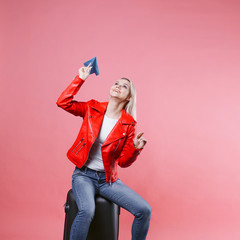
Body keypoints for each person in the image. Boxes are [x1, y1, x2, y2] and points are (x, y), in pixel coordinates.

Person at [56, 63, 152, 240]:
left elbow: (123, 162)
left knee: (144, 210)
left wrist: (136, 149)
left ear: (129, 98)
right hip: (83, 175)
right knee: (86, 211)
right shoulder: (92, 108)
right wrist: (80, 79)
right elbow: (63, 102)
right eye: (117, 83)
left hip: (108, 180)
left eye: (124, 86)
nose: (118, 86)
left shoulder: (128, 124)